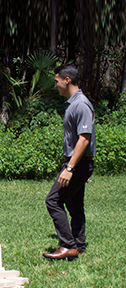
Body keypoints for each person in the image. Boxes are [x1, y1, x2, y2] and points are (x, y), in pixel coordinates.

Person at [43, 64, 95, 261]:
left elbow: (84, 139)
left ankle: (68, 246)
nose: (55, 85)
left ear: (67, 80)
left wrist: (71, 168)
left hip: (76, 165)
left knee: (53, 201)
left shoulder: (80, 104)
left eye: (56, 81)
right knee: (74, 205)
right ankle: (79, 246)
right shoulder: (73, 104)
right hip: (79, 164)